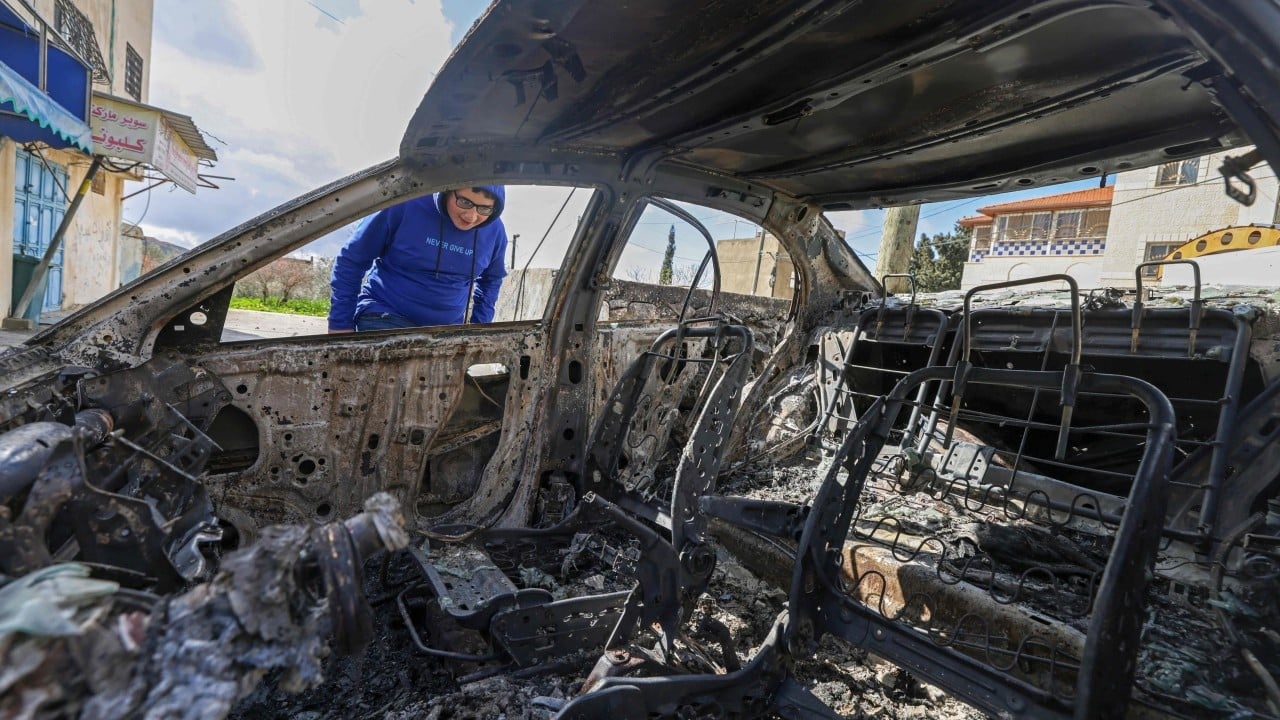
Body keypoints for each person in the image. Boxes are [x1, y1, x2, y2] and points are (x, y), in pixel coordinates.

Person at [328, 186, 508, 332]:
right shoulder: (403, 205)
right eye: (464, 202)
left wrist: (479, 329)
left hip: (446, 328)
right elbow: (352, 260)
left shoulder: (495, 232)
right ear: (447, 189)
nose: (471, 216)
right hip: (386, 313)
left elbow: (491, 280)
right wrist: (340, 323)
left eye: (484, 208)